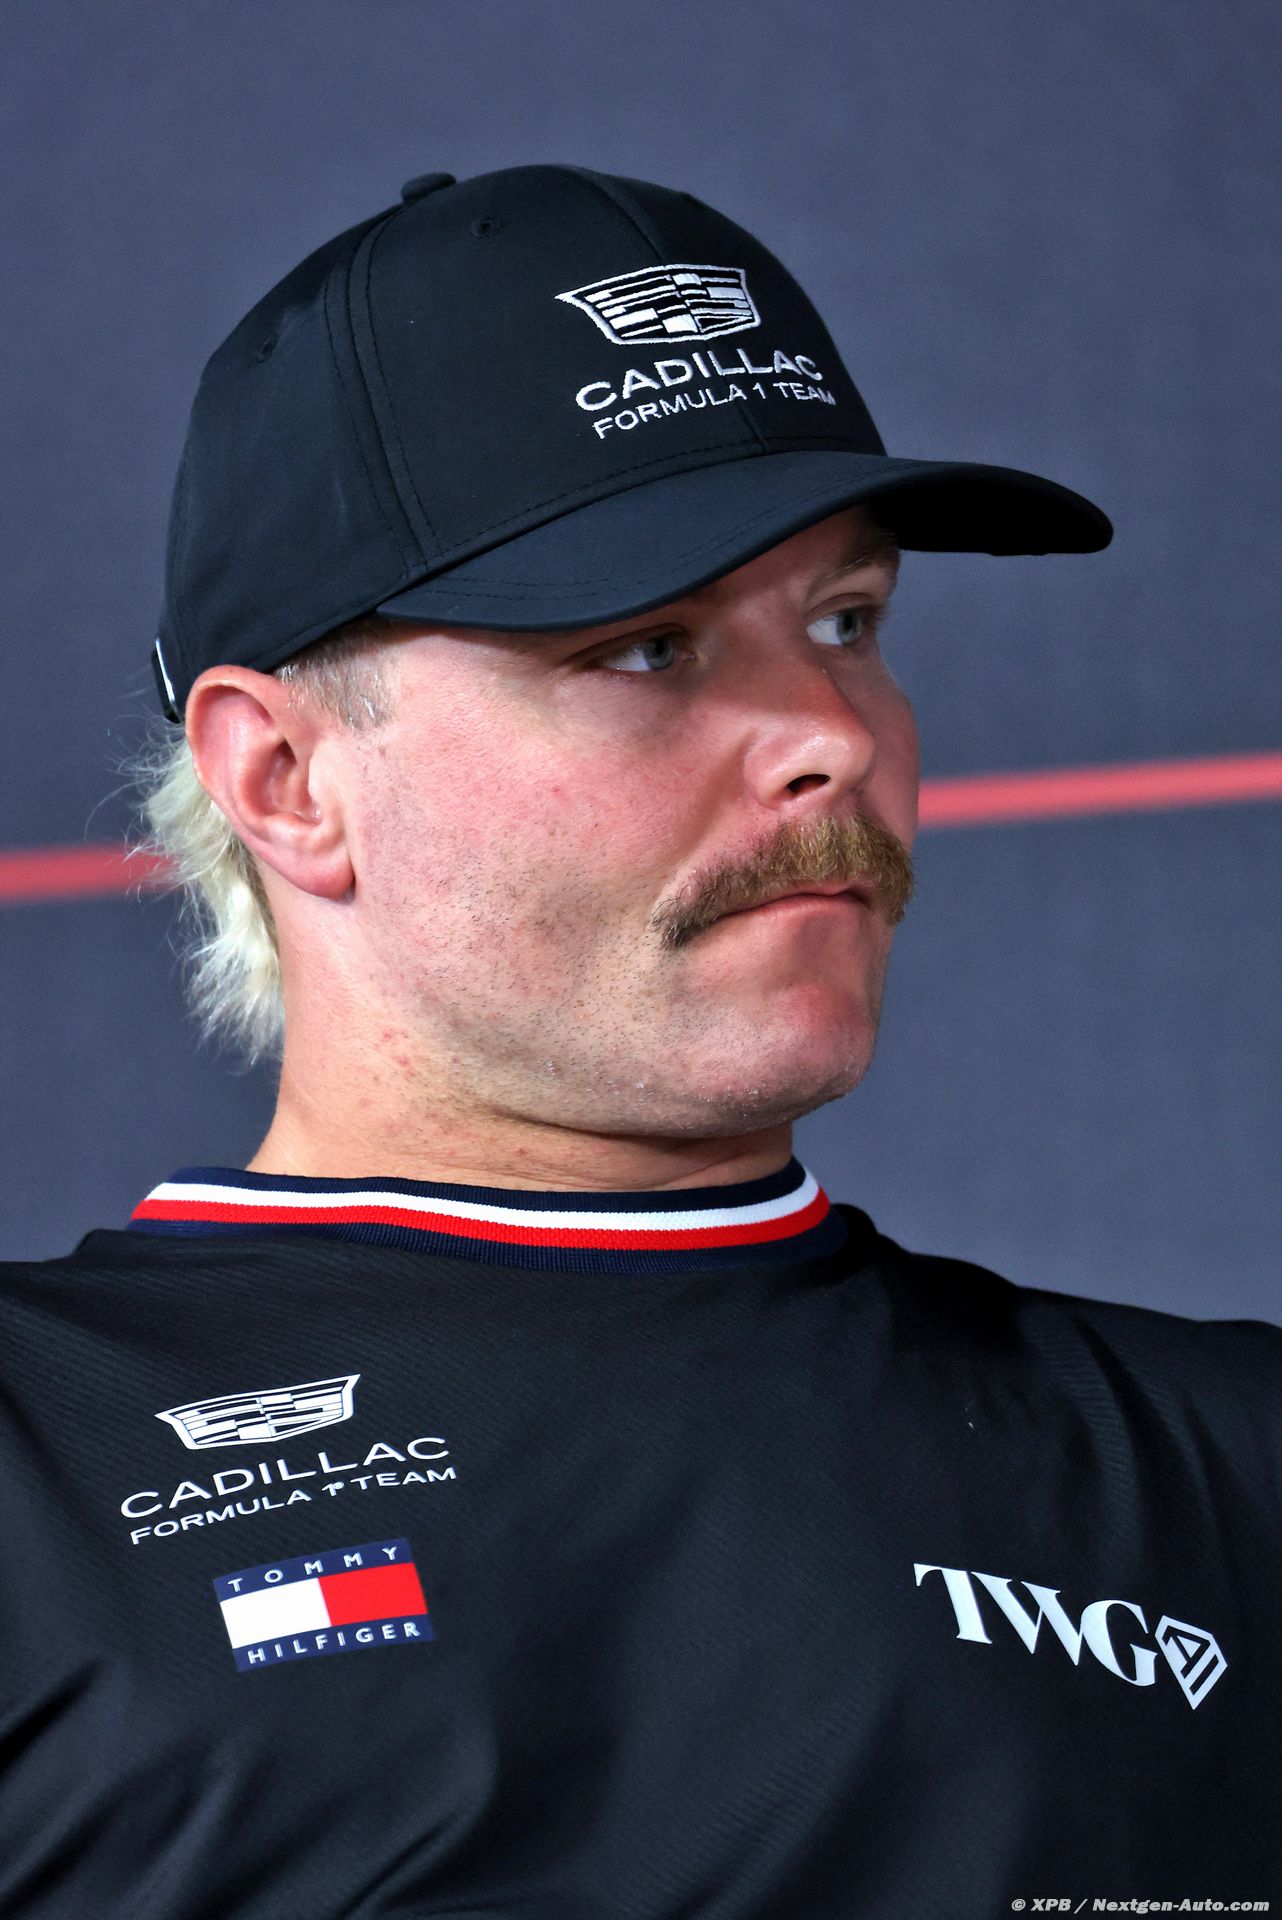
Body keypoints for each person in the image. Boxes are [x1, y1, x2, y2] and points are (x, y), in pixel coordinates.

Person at [1, 163, 1275, 1919]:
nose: (831, 734)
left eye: (845, 622)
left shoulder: (1226, 1468)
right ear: (286, 781)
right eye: (648, 648)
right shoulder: (36, 1464)